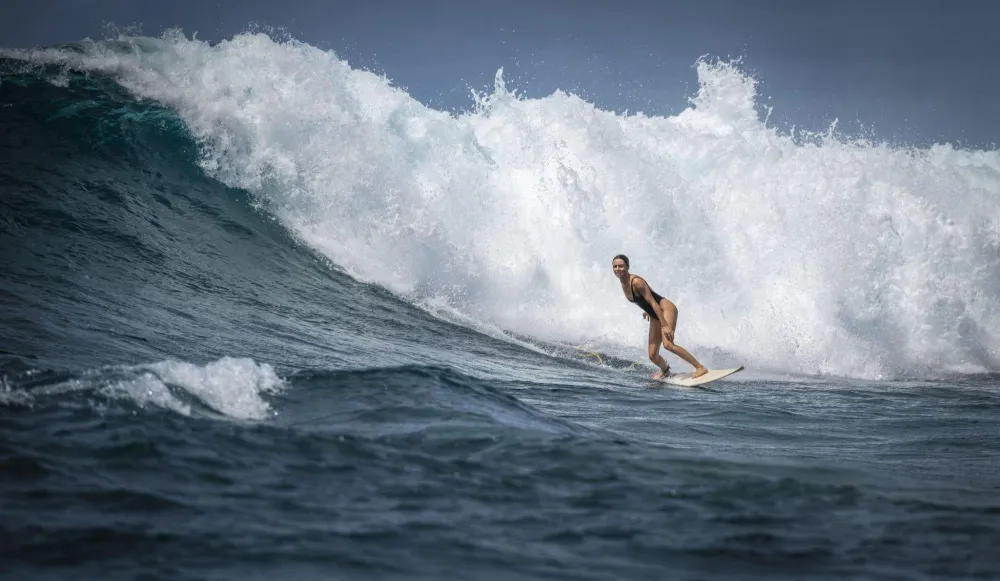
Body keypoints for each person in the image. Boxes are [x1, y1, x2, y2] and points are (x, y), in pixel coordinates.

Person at [612, 254, 708, 380]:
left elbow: (653, 302)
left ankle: (700, 367)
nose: (618, 269)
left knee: (668, 345)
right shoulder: (623, 282)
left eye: (621, 266)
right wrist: (647, 309)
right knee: (652, 355)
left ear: (627, 267)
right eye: (615, 266)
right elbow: (648, 295)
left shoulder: (635, 282)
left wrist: (665, 325)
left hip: (665, 309)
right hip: (654, 313)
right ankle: (666, 371)